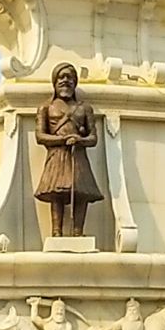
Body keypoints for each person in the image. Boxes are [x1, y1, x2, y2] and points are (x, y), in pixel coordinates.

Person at [34, 63, 102, 238]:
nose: (66, 81)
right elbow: (40, 136)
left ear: (75, 82)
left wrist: (80, 140)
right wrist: (62, 140)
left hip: (78, 155)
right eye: (62, 77)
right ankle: (56, 231)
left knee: (81, 192)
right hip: (57, 155)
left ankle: (78, 231)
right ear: (55, 82)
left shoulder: (84, 108)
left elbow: (93, 138)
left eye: (70, 77)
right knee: (56, 193)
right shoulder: (46, 107)